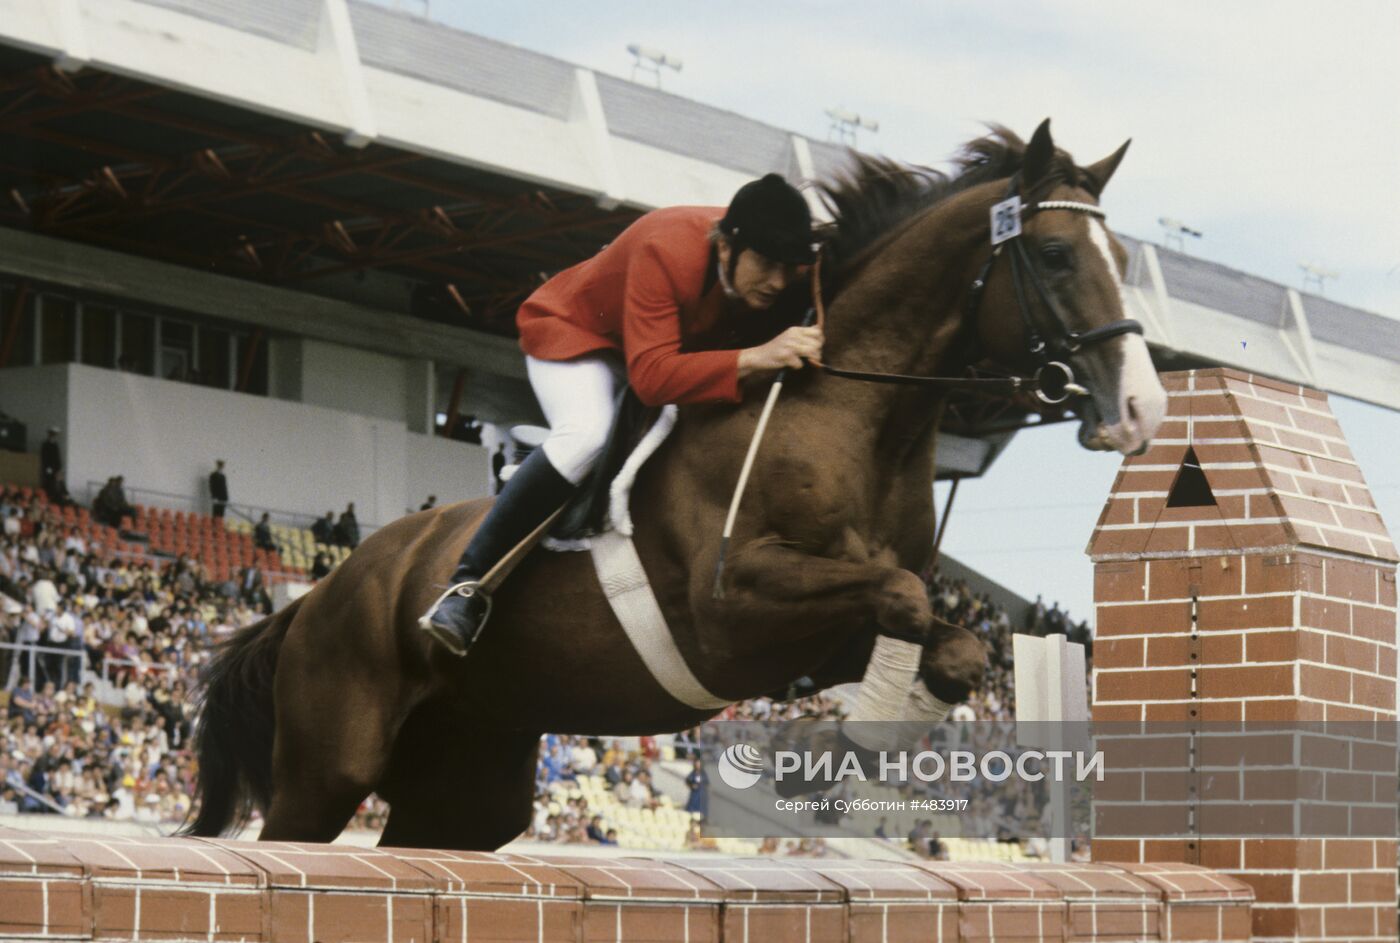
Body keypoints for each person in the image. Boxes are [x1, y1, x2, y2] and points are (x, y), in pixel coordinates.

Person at [420, 173, 823, 655]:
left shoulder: (773, 267)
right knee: (587, 436)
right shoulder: (664, 247)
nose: (778, 282)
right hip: (578, 337)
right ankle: (466, 587)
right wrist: (757, 356)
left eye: (789, 267)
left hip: (662, 354)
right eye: (766, 263)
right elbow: (652, 379)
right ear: (725, 248)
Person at [39, 428, 62, 497]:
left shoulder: (55, 445)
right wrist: (47, 468)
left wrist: (58, 468)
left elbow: (57, 457)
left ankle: (53, 495)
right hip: (48, 467)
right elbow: (44, 457)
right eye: (52, 434)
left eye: (54, 435)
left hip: (55, 468)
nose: (53, 436)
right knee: (48, 481)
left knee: (54, 482)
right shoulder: (45, 444)